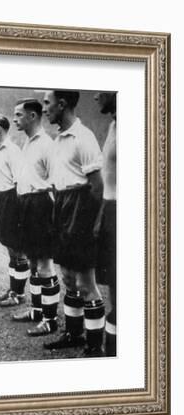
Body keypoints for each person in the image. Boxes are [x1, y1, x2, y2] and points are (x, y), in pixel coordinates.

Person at [42, 90, 105, 356]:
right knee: (67, 276)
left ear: (62, 104)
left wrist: (94, 222)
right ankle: (73, 334)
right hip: (63, 206)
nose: (45, 108)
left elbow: (98, 186)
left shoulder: (84, 137)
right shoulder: (58, 139)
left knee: (85, 282)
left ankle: (94, 346)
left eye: (48, 103)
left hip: (81, 208)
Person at [10, 98, 60, 336]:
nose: (14, 119)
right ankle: (38, 310)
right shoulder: (27, 142)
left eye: (18, 114)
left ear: (32, 116)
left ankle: (50, 320)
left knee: (44, 264)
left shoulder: (47, 144)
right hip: (26, 204)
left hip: (41, 205)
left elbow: (57, 182)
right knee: (32, 262)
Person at [0, 114, 29, 306]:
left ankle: (18, 294)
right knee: (10, 248)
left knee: (17, 249)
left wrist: (18, 210)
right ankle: (13, 289)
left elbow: (20, 182)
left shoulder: (12, 151)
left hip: (14, 198)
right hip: (3, 198)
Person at [94, 91, 117, 356]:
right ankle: (111, 352)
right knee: (112, 285)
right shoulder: (113, 124)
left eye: (101, 91)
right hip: (109, 209)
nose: (96, 96)